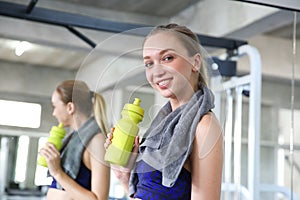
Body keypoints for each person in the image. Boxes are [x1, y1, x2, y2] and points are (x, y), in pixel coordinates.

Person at [105, 23, 223, 200]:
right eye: (148, 63)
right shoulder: (160, 129)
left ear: (195, 62)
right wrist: (125, 174)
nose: (157, 71)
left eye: (167, 58)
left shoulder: (204, 126)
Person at [39, 80, 110, 200]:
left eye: (55, 106)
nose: (53, 113)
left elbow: (99, 199)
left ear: (70, 107)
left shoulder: (96, 140)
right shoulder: (71, 139)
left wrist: (58, 172)